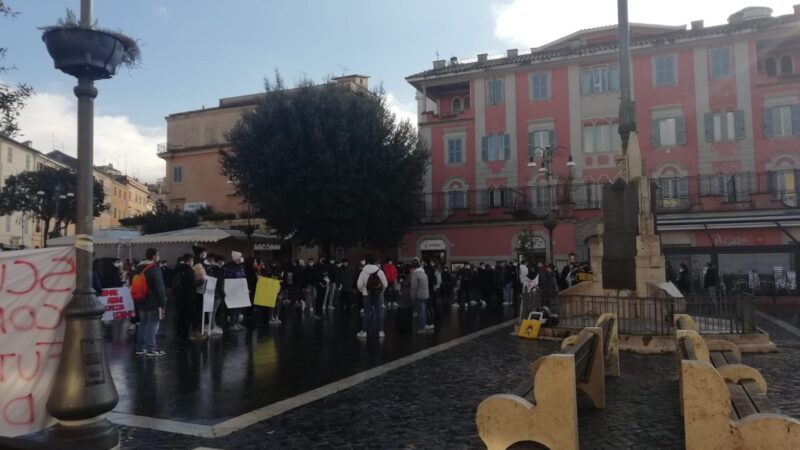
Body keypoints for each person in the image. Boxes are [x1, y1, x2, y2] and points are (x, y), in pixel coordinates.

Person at [134, 248, 167, 356]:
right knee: (152, 323)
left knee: (143, 324)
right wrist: (163, 304)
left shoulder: (138, 268)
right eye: (158, 255)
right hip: (153, 301)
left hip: (140, 299)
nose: (159, 257)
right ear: (153, 256)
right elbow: (160, 288)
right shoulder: (154, 268)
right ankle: (150, 348)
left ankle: (140, 347)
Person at [356, 255, 388, 339]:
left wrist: (363, 291)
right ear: (375, 262)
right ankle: (381, 331)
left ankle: (364, 331)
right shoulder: (379, 271)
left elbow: (359, 285)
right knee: (379, 313)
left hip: (367, 295)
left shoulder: (363, 271)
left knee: (367, 314)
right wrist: (381, 291)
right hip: (378, 295)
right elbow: (385, 284)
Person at [173, 253, 196, 343]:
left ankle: (179, 335)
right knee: (187, 318)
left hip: (179, 296)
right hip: (188, 297)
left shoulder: (177, 268)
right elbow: (191, 284)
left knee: (180, 317)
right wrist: (200, 282)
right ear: (190, 261)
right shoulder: (190, 270)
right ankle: (185, 337)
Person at [224, 251, 247, 331]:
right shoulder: (230, 267)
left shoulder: (241, 266)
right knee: (234, 307)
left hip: (240, 290)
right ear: (237, 258)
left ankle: (237, 323)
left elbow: (244, 277)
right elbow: (228, 279)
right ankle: (232, 324)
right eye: (241, 256)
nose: (242, 258)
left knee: (239, 307)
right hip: (234, 290)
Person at [410, 259, 433, 333]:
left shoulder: (415, 274)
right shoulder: (424, 273)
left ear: (414, 268)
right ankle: (425, 325)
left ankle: (421, 328)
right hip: (426, 294)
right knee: (424, 311)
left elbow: (414, 287)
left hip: (420, 295)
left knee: (421, 312)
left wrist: (412, 296)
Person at [205, 253, 225, 336]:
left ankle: (211, 325)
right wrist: (222, 293)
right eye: (222, 260)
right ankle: (212, 327)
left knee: (211, 310)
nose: (223, 262)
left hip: (210, 291)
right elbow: (220, 282)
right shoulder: (217, 269)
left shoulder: (210, 267)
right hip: (217, 293)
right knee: (213, 310)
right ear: (219, 261)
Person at [191, 246, 208, 340]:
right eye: (204, 252)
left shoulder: (199, 262)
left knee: (198, 312)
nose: (205, 254)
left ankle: (197, 330)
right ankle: (195, 331)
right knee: (197, 312)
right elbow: (201, 277)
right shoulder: (198, 263)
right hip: (198, 291)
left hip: (199, 291)